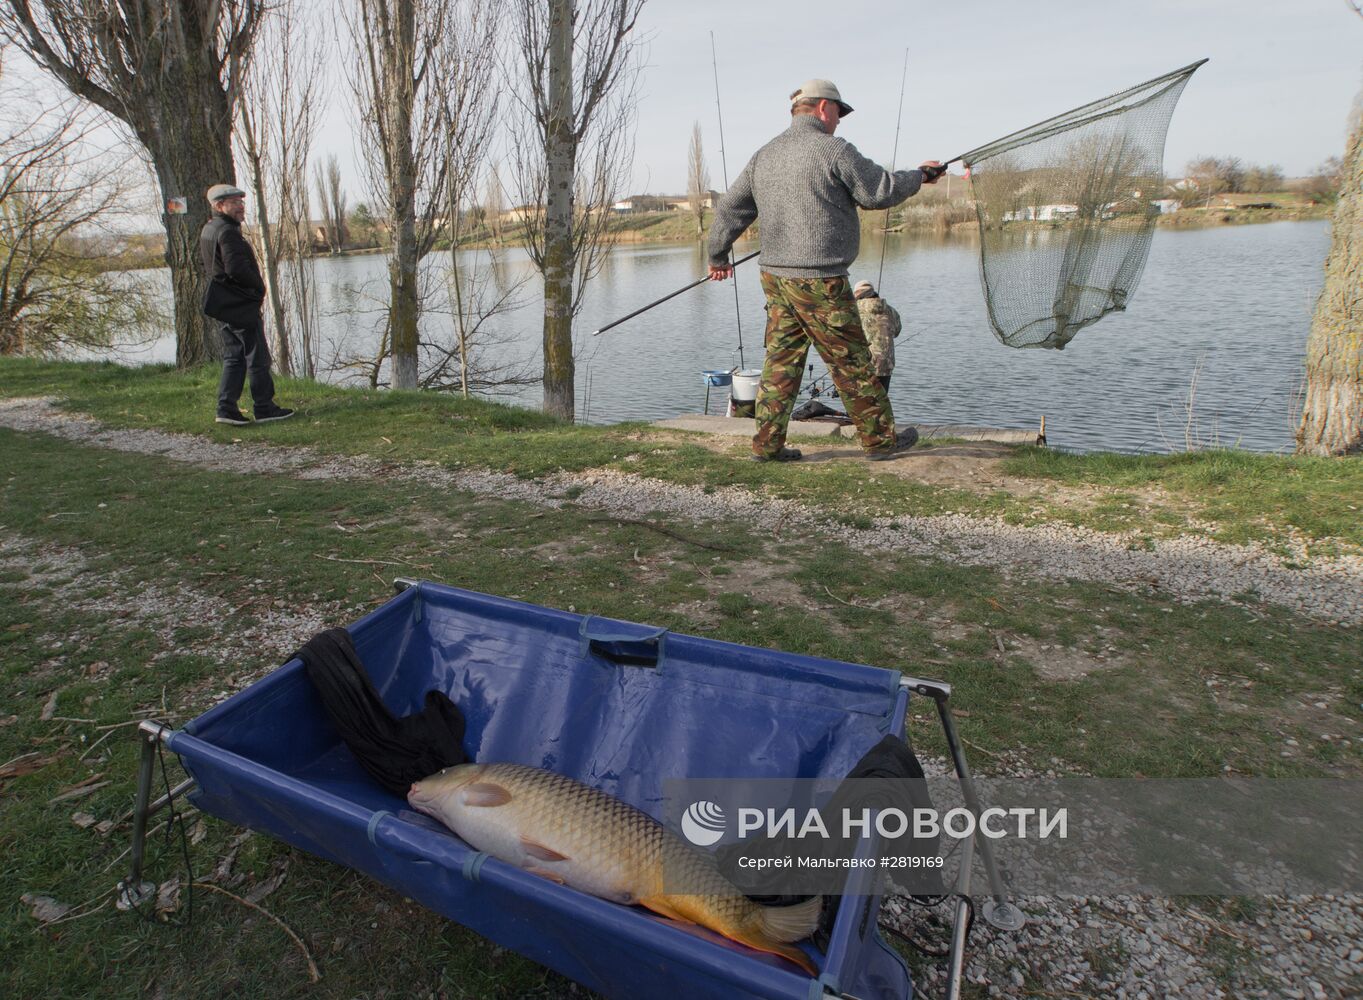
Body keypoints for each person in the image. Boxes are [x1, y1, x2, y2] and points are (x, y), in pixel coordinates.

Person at [707, 79, 941, 462]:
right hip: (821, 280)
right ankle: (881, 442)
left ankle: (767, 446)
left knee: (781, 361)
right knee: (851, 361)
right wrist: (920, 176)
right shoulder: (833, 150)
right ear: (822, 109)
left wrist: (718, 256)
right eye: (838, 113)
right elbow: (878, 191)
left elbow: (731, 207)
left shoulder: (764, 156)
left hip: (776, 279)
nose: (839, 121)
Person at [200, 183, 294, 426]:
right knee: (257, 356)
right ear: (219, 205)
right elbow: (235, 268)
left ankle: (226, 408)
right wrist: (258, 288)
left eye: (241, 201)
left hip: (225, 303)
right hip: (240, 303)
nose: (241, 206)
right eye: (234, 202)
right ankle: (264, 407)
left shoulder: (210, 228)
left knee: (234, 356)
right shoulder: (228, 231)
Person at [853, 280, 901, 396]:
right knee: (882, 402)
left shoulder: (854, 310)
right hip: (886, 364)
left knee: (864, 403)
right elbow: (897, 332)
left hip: (864, 363)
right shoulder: (891, 311)